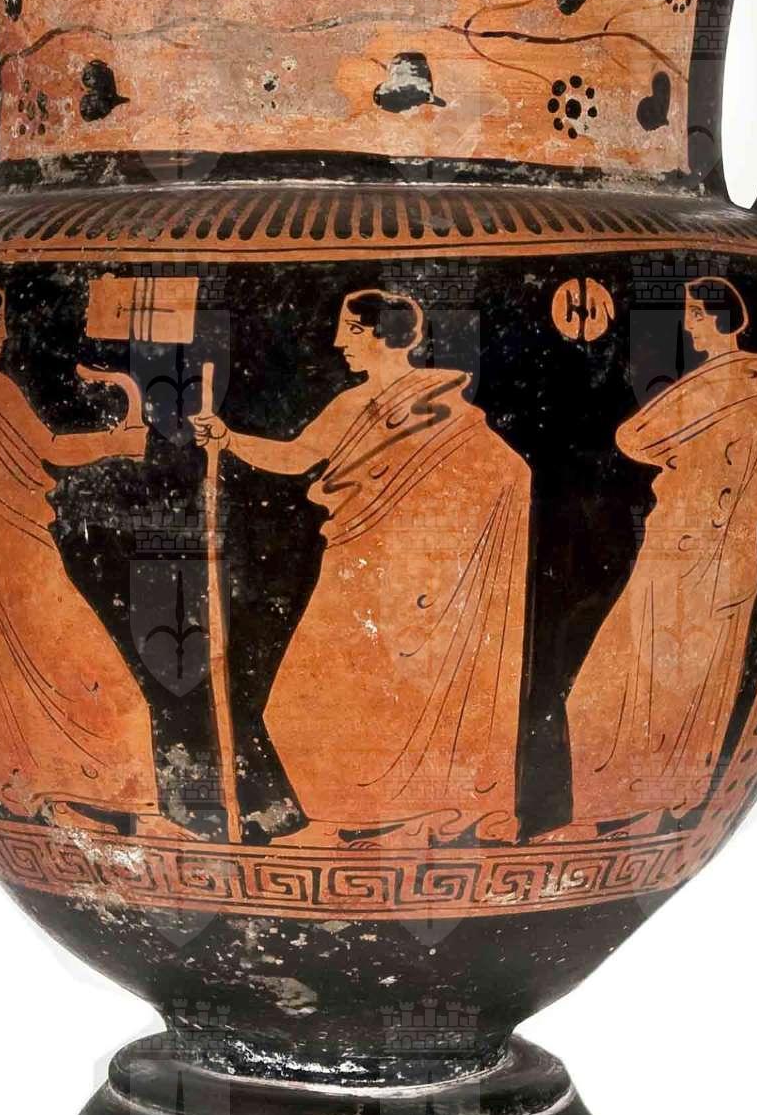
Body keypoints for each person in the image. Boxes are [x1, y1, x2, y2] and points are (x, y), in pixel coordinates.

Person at [192, 290, 530, 843]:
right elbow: (298, 456)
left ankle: (398, 818)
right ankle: (342, 818)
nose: (337, 342)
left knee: (395, 699)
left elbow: (506, 471)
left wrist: (440, 559)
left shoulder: (437, 406)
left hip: (409, 583)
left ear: (383, 335)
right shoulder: (353, 404)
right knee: (303, 701)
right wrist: (229, 440)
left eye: (350, 329)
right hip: (354, 563)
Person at [0, 285, 164, 829]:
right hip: (3, 563)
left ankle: (113, 805)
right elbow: (47, 449)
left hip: (9, 556)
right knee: (64, 671)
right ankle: (61, 801)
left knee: (59, 673)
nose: (4, 336)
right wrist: (117, 441)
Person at [556, 276, 757, 841]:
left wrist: (714, 520)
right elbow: (634, 439)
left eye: (696, 315)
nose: (689, 324)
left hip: (699, 560)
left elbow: (640, 437)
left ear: (720, 319)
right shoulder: (722, 388)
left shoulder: (736, 393)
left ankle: (637, 818)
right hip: (681, 551)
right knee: (614, 691)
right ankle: (618, 816)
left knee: (663, 692)